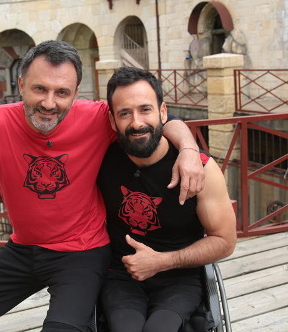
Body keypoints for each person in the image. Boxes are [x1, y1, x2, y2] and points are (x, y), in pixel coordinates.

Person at [0, 40, 205, 332]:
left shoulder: (98, 118)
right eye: (39, 89)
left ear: (75, 94)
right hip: (23, 249)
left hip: (82, 252)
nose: (49, 103)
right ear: (21, 84)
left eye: (62, 93)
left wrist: (188, 150)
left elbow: (163, 119)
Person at [96, 66, 237, 332]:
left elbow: (225, 242)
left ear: (162, 112)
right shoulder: (102, 158)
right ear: (113, 121)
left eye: (145, 109)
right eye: (125, 113)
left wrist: (162, 261)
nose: (136, 122)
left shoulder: (202, 169)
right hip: (121, 274)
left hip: (178, 275)